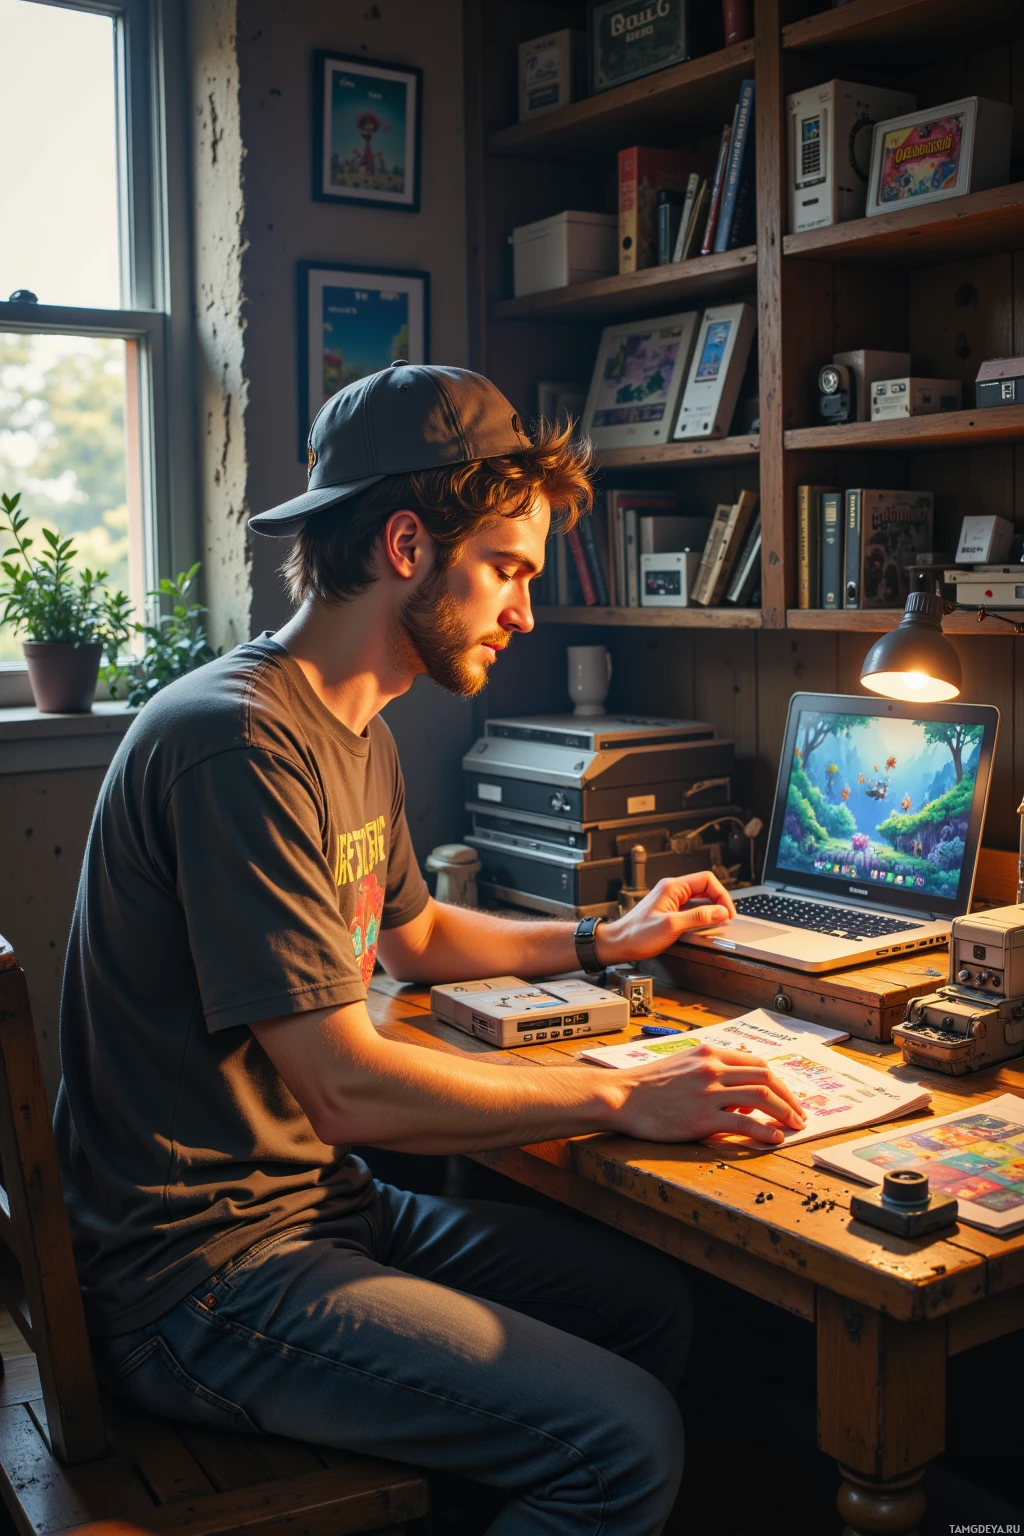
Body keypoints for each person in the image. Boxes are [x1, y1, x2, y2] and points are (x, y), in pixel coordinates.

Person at [55, 364, 805, 1536]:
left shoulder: (345, 721)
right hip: (201, 1278)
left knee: (649, 1309)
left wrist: (603, 934)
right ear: (407, 543)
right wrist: (616, 1096)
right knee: (625, 1442)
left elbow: (411, 937)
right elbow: (346, 1086)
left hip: (316, 1207)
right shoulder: (238, 743)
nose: (526, 611)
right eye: (508, 569)